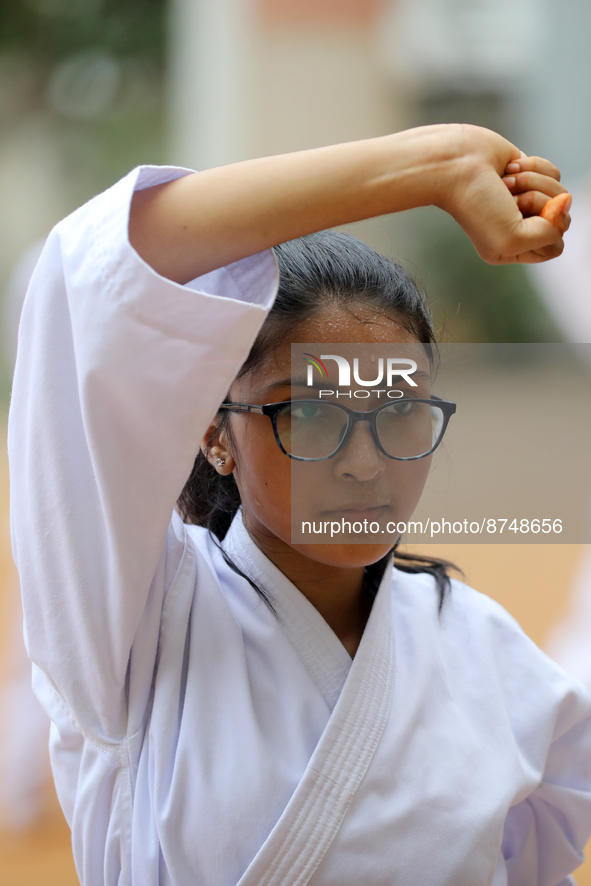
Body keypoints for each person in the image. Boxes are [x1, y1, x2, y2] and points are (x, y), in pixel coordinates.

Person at [8, 123, 591, 886]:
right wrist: (433, 164)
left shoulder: (494, 662)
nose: (362, 462)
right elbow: (96, 272)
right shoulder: (135, 626)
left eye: (399, 411)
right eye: (308, 412)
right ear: (217, 435)